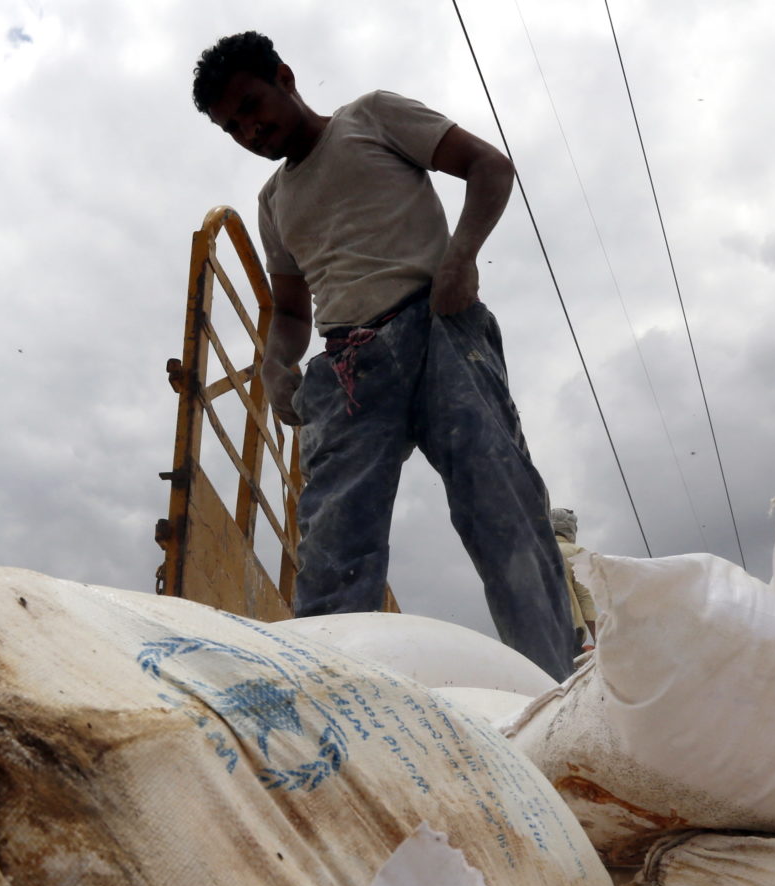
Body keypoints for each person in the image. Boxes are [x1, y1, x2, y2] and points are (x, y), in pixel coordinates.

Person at [193, 32, 577, 680]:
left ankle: (560, 697)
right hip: (348, 366)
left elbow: (490, 166)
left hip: (438, 328)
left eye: (252, 105)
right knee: (333, 540)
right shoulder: (272, 203)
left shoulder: (371, 117)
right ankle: (327, 706)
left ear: (285, 77)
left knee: (500, 505)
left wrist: (460, 256)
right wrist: (275, 365)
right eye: (233, 127)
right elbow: (291, 311)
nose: (250, 129)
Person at [550, 507, 598, 655]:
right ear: (570, 528)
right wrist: (600, 641)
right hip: (568, 635)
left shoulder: (533, 552)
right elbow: (585, 599)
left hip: (538, 636)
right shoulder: (575, 552)